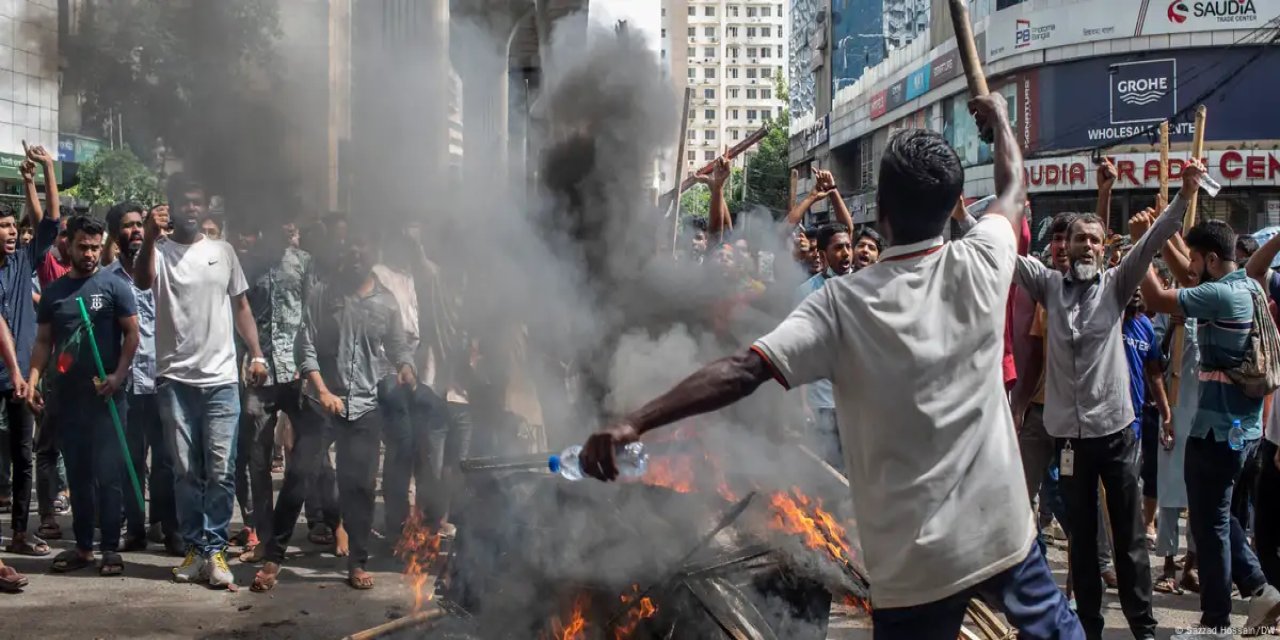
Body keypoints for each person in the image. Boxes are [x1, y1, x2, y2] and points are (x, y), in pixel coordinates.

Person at [579, 95, 1081, 638]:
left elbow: (741, 371)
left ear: (879, 212)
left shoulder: (841, 305)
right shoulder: (984, 260)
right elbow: (1012, 190)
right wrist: (1004, 120)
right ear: (956, 202)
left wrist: (636, 421)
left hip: (914, 568)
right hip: (1001, 535)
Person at [1014, 160, 1205, 639]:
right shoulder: (1049, 287)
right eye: (1081, 239)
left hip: (1116, 437)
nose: (1088, 246)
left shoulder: (1118, 286)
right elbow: (1005, 256)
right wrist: (964, 216)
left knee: (1129, 538)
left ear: (1104, 249)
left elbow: (1155, 237)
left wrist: (1185, 193)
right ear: (1067, 248)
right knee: (1082, 541)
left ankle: (1142, 625)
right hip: (1070, 442)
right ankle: (1091, 627)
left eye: (1096, 241)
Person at [252, 231, 415, 592]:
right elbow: (304, 343)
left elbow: (397, 345)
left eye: (363, 248)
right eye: (350, 248)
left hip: (364, 408)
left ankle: (357, 563)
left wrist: (405, 366)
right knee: (298, 479)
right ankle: (272, 559)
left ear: (374, 252)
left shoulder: (386, 303)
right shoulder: (324, 294)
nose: (356, 254)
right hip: (320, 403)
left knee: (359, 487)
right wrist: (322, 389)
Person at [1139, 219, 1280, 636]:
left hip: (1217, 432)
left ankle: (1216, 622)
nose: (1192, 267)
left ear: (1213, 259)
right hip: (1244, 429)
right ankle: (1258, 588)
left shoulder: (1220, 293)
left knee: (1211, 522)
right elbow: (1188, 277)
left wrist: (1143, 244)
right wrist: (1167, 235)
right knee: (1215, 516)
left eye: (1198, 259)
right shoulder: (1249, 285)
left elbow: (1158, 295)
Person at [134, 174, 268, 588]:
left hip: (222, 378)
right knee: (184, 470)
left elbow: (241, 304)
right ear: (171, 206)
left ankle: (216, 552)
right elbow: (141, 281)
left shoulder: (223, 251)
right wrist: (150, 237)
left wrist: (257, 353)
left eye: (197, 202)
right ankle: (194, 549)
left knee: (222, 470)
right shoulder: (158, 252)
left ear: (205, 206)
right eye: (184, 202)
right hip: (175, 378)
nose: (191, 209)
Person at [27, 215, 139, 576]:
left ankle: (110, 549)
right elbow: (44, 342)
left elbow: (132, 335)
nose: (90, 254)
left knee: (109, 475)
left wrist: (118, 376)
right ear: (68, 245)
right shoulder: (55, 293)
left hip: (107, 398)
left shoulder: (113, 286)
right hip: (68, 399)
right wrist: (32, 378)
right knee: (78, 475)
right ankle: (84, 548)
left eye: (94, 247)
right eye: (82, 247)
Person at [105, 202, 181, 555]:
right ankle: (134, 529)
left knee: (167, 461)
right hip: (127, 382)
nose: (136, 230)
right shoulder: (106, 279)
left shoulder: (164, 267)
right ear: (114, 234)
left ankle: (169, 529)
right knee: (130, 460)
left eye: (140, 224)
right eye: (128, 225)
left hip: (164, 378)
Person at [235, 215, 310, 562]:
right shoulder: (247, 264)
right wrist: (253, 356)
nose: (285, 227)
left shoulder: (305, 263)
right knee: (258, 460)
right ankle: (264, 537)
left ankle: (305, 526)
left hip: (298, 373)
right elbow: (238, 311)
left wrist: (312, 369)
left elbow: (312, 316)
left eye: (289, 221)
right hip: (259, 374)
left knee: (310, 452)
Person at [0, 147, 59, 560]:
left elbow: (50, 222)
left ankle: (20, 532)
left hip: (19, 377)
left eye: (9, 225)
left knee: (23, 456)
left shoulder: (23, 261)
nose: (8, 232)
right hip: (11, 373)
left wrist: (42, 175)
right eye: (0, 226)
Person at [793, 223, 880, 468]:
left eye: (847, 247)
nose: (846, 253)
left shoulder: (867, 284)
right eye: (838, 248)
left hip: (860, 400)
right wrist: (802, 403)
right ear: (822, 254)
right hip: (822, 401)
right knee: (828, 472)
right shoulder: (805, 294)